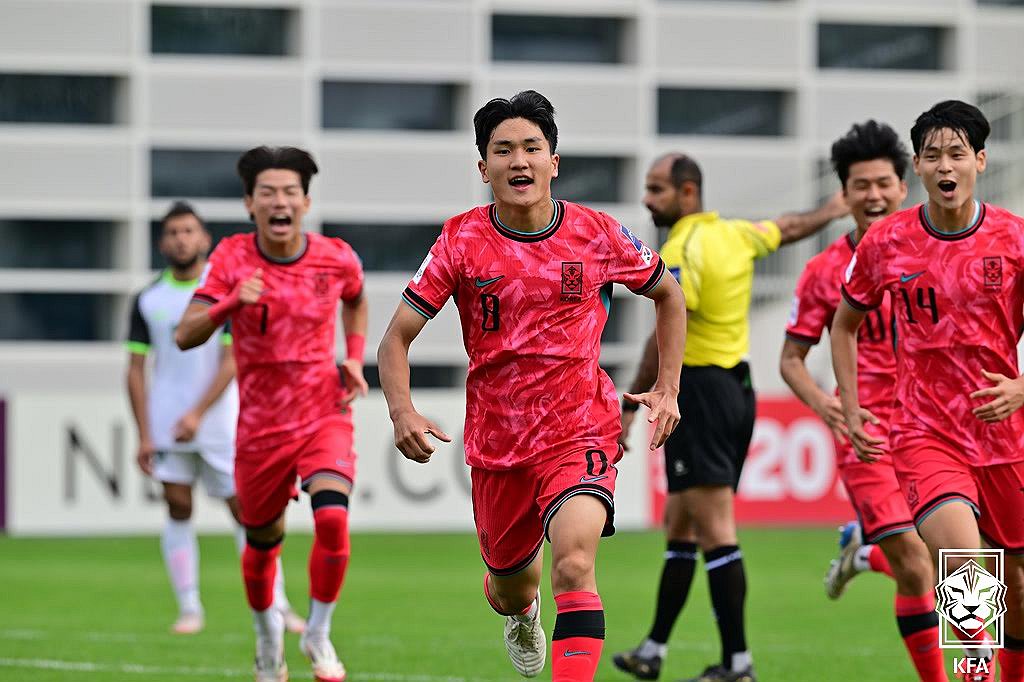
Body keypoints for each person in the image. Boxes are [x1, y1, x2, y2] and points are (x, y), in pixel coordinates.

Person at [377, 90, 686, 682]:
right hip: (498, 445)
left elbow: (668, 293)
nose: (519, 161)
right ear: (483, 166)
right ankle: (521, 612)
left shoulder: (596, 233)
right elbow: (395, 339)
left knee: (574, 563)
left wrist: (667, 388)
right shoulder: (461, 240)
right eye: (503, 150)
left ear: (554, 161)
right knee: (511, 588)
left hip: (580, 428)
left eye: (531, 148)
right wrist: (402, 411)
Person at [613, 154, 848, 682]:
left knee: (716, 529)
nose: (648, 200)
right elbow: (786, 229)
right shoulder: (735, 234)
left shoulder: (680, 249)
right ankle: (653, 648)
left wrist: (634, 400)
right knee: (681, 523)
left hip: (699, 390)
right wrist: (829, 210)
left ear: (688, 192)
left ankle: (738, 663)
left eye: (656, 190)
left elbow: (668, 327)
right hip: (734, 387)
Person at [833, 99, 1024, 682]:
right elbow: (845, 325)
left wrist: (1022, 388)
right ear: (917, 166)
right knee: (967, 567)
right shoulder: (887, 243)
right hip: (924, 432)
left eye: (957, 154)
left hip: (1004, 436)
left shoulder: (1015, 240)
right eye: (934, 154)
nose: (946, 165)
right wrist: (853, 407)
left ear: (981, 161)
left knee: (1015, 583)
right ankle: (973, 675)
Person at [779, 121, 974, 682]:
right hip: (869, 436)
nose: (873, 196)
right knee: (918, 566)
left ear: (904, 185)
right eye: (860, 186)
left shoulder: (943, 252)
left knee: (964, 563)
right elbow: (791, 360)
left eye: (883, 183)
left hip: (942, 430)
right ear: (844, 195)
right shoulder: (823, 272)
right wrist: (825, 404)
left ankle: (864, 556)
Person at [175, 147, 369, 682]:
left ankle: (319, 634)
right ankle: (267, 638)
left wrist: (353, 356)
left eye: (289, 192)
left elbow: (356, 297)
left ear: (306, 201)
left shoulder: (335, 257)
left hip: (322, 410)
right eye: (267, 193)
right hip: (260, 425)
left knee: (333, 519)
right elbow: (185, 335)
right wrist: (229, 302)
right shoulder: (232, 259)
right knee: (262, 543)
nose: (279, 202)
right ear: (249, 204)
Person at [126, 201, 302, 636]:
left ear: (204, 239)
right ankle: (189, 608)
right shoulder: (148, 299)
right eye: (172, 232)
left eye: (188, 231)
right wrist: (145, 433)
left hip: (221, 422)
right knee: (178, 506)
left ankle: (277, 605)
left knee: (247, 512)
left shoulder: (223, 289)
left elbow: (232, 361)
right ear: (162, 242)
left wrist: (198, 413)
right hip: (168, 424)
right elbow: (135, 369)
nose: (180, 239)